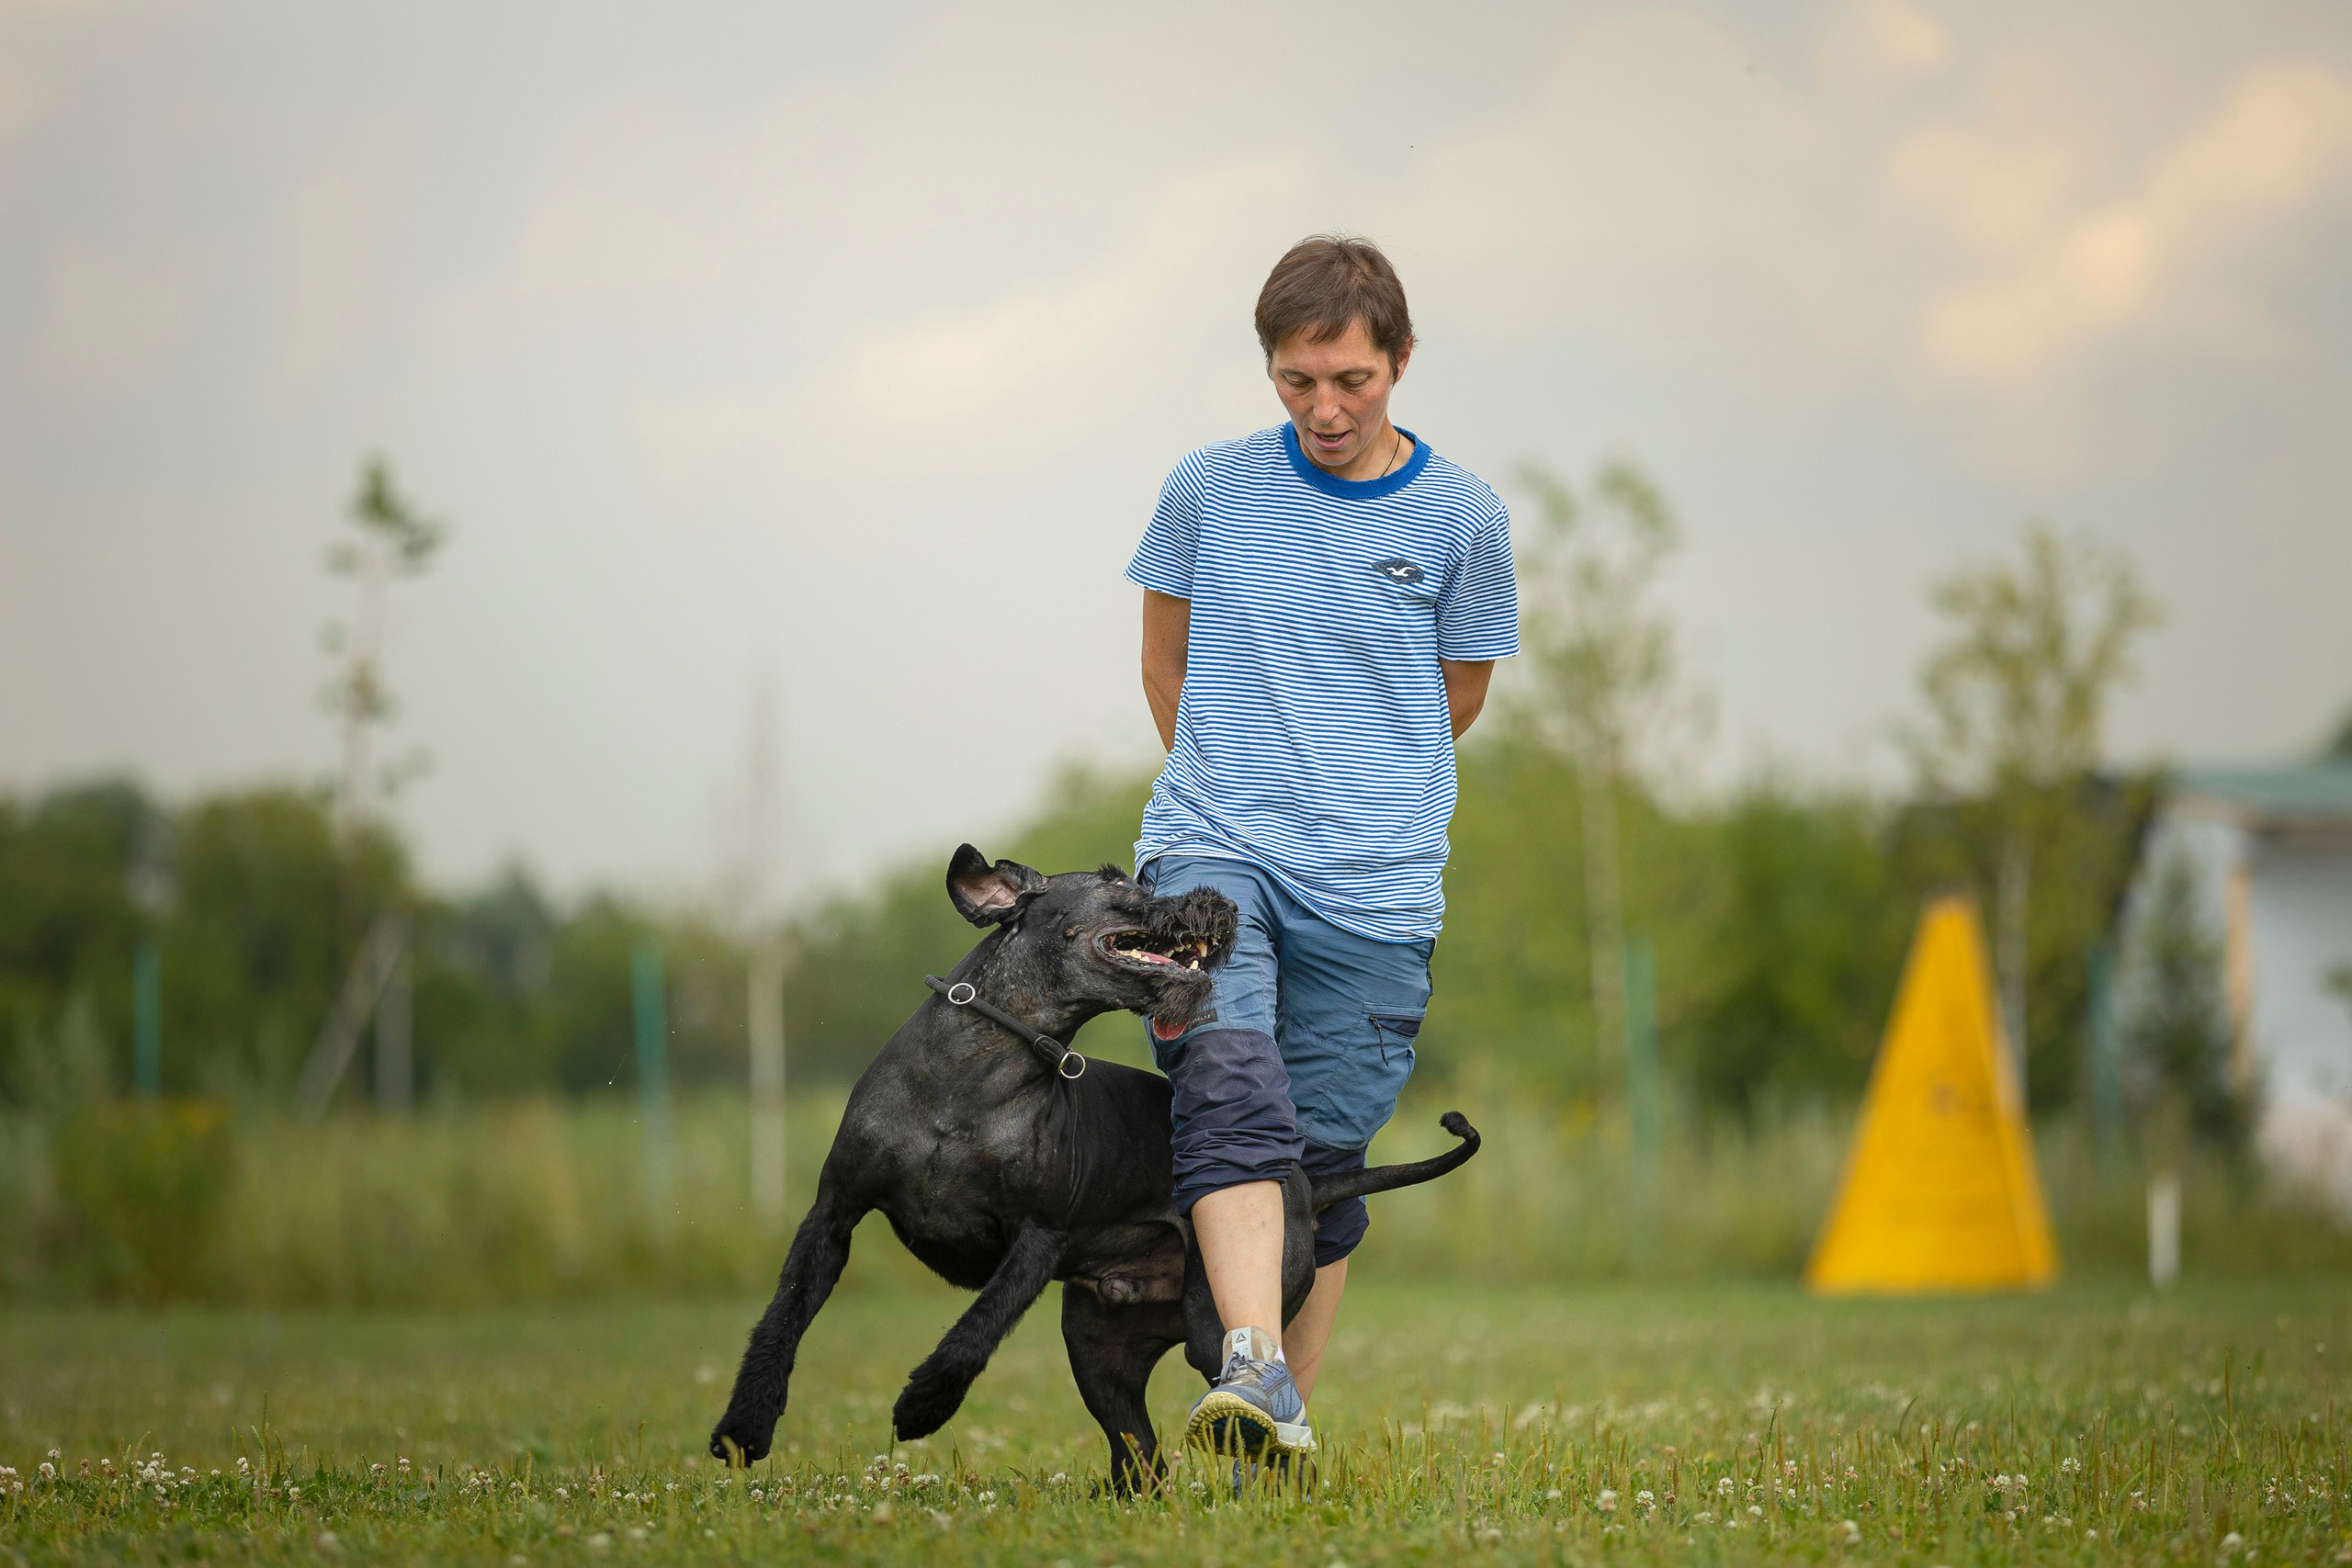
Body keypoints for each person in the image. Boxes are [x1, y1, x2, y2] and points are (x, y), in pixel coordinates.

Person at [1125, 234, 1519, 1462]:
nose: (1327, 407)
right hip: (1211, 849)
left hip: (1376, 884)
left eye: (1351, 379)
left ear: (1399, 361)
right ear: (1271, 370)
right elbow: (1164, 657)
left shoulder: (1466, 519)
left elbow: (1456, 692)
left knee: (1326, 1170)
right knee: (1230, 1089)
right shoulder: (1206, 489)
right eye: (1299, 381)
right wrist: (1234, 783)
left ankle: (1275, 1410)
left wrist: (1351, 776)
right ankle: (1246, 1358)